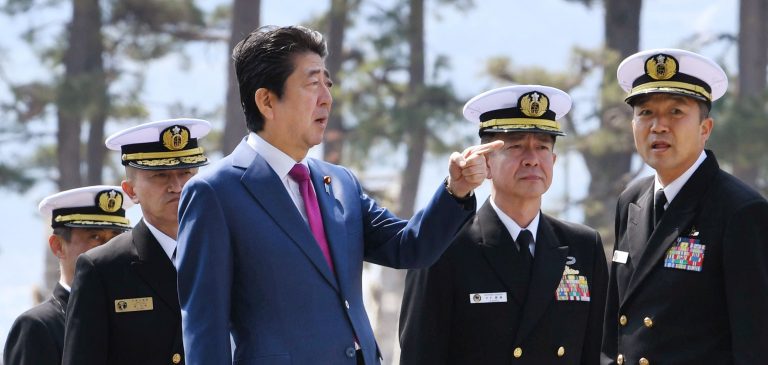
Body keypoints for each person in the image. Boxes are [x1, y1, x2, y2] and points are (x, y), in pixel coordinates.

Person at [175, 25, 499, 365]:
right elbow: (204, 327)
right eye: (312, 83)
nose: (326, 98)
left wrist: (456, 189)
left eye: (327, 84)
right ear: (267, 101)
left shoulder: (340, 182)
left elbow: (408, 247)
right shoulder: (215, 193)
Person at [399, 85, 608, 364]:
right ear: (485, 162)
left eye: (542, 147)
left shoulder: (583, 246)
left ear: (554, 160)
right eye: (516, 146)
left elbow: (597, 351)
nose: (532, 159)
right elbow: (420, 353)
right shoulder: (445, 246)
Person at [601, 48, 768, 365]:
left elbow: (756, 343)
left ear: (705, 129)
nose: (658, 126)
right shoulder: (631, 200)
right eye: (646, 113)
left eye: (675, 112)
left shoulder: (740, 210)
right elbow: (615, 331)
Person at [62, 118, 211, 365]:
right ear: (130, 191)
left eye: (186, 172)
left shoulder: (224, 252)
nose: (176, 186)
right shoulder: (102, 268)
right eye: (160, 175)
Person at [3, 185, 132, 365]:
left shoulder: (132, 318)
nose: (108, 248)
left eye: (115, 238)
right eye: (95, 237)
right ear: (58, 246)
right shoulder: (37, 326)